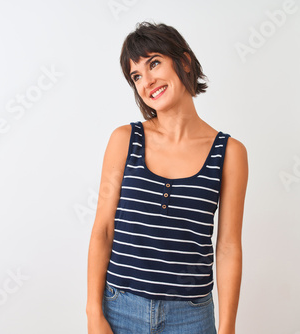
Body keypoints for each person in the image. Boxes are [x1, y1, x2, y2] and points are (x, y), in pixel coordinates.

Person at [86, 21, 248, 334]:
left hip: (191, 317)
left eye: (154, 63)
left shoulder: (229, 153)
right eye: (136, 76)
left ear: (184, 62)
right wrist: (94, 313)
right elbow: (103, 230)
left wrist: (227, 329)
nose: (146, 81)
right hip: (120, 309)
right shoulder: (124, 140)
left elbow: (228, 247)